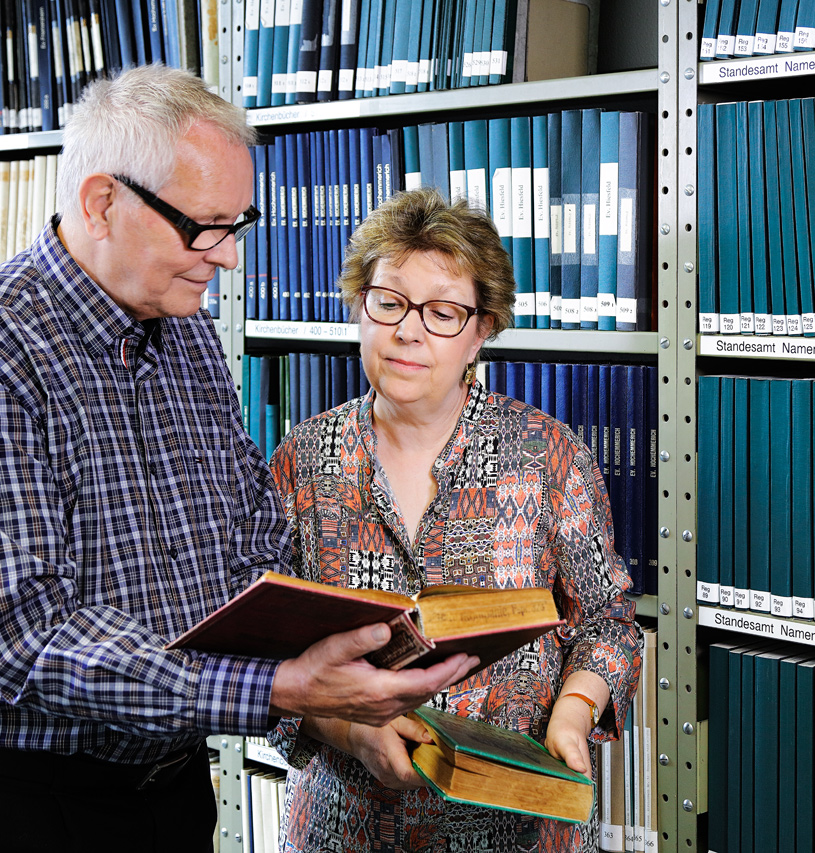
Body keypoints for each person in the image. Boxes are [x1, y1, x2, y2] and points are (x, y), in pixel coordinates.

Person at [0, 65, 475, 853]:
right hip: (10, 801)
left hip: (171, 787)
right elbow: (33, 635)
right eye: (205, 226)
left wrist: (333, 695)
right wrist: (281, 686)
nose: (227, 257)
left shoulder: (186, 330)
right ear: (101, 203)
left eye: (239, 223)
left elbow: (247, 537)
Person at [267, 186, 644, 853]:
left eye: (442, 312)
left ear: (482, 329)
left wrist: (573, 712)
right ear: (360, 306)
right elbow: (269, 658)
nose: (409, 330)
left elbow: (608, 624)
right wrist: (349, 729)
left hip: (517, 828)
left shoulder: (547, 456)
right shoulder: (303, 459)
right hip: (344, 828)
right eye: (389, 303)